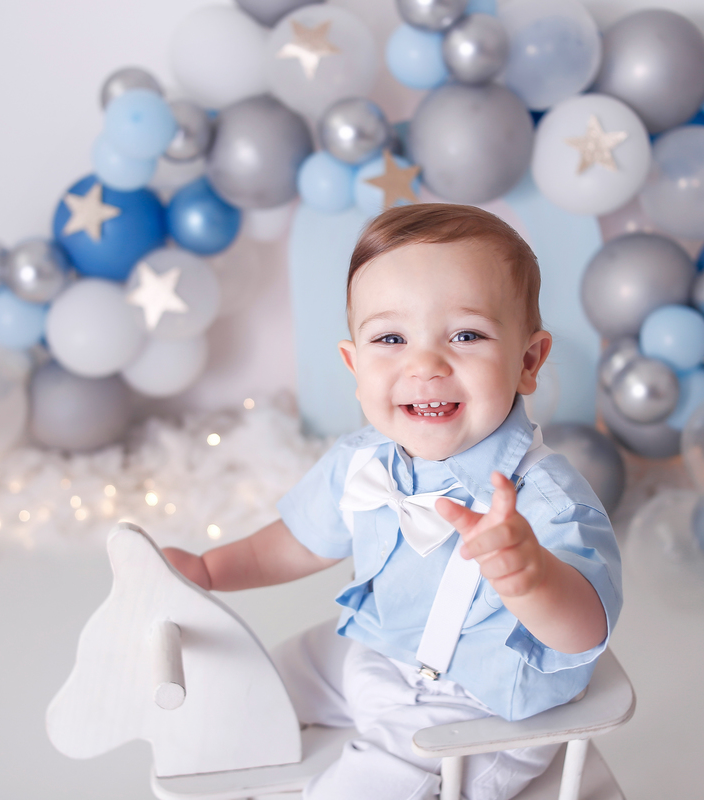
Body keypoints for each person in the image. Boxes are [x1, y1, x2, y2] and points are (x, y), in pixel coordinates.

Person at [163, 203, 622, 800]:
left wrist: (529, 576)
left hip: (477, 706)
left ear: (528, 361)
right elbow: (296, 541)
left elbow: (585, 630)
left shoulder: (544, 501)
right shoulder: (364, 459)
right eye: (390, 338)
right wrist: (208, 571)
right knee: (261, 686)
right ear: (355, 364)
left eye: (466, 335)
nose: (425, 364)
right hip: (380, 646)